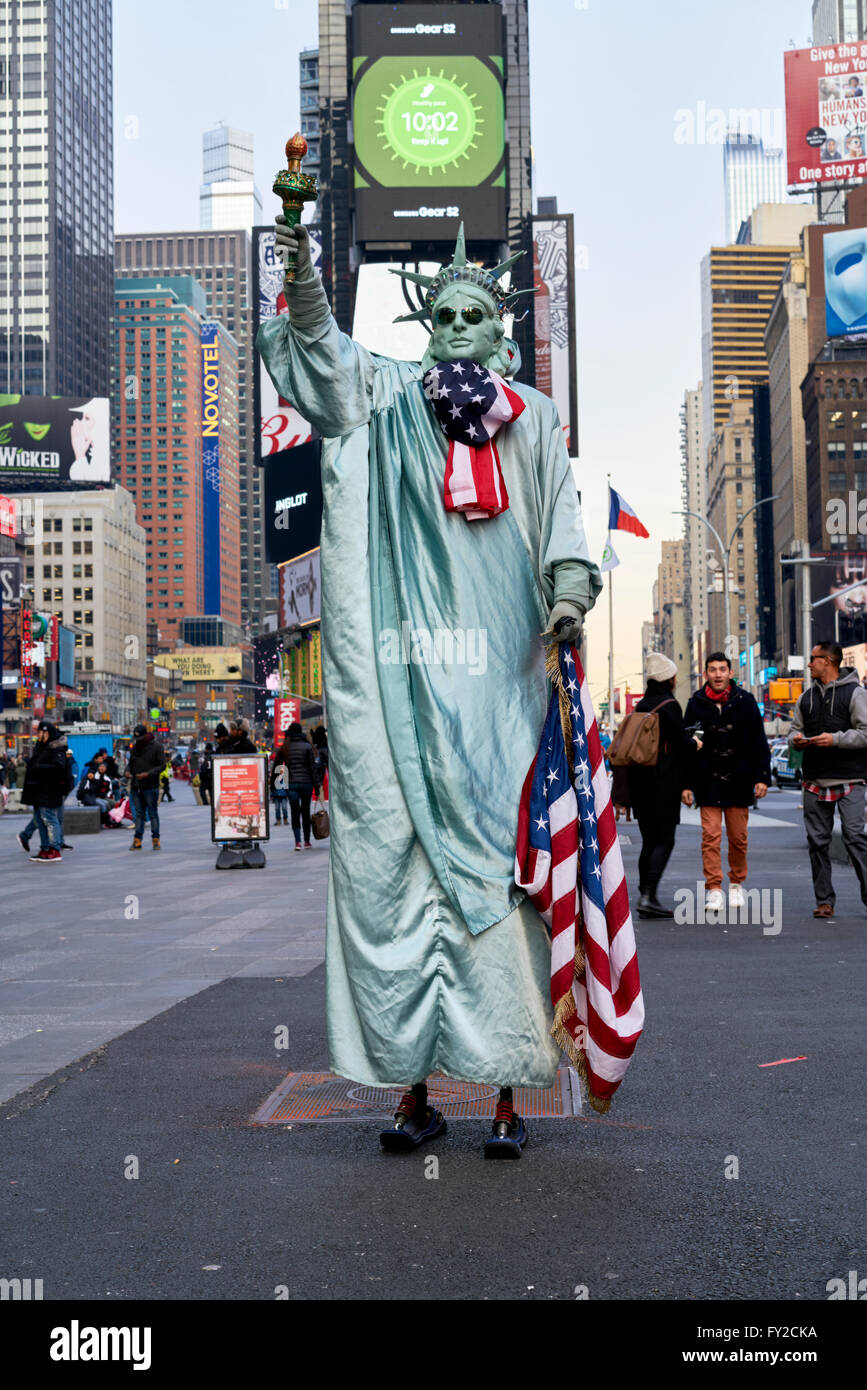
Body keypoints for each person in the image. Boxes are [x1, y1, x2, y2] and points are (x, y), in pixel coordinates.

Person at [258, 217, 601, 1155]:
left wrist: (567, 599)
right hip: (401, 688)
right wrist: (300, 269)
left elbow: (562, 525)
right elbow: (323, 357)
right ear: (427, 325)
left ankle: (503, 1097)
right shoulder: (388, 395)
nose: (453, 324)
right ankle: (412, 1095)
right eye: (441, 313)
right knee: (394, 877)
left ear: (500, 333)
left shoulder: (530, 417)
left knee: (502, 884)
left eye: (471, 315)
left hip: (499, 687)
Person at [683, 652, 770, 912]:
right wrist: (686, 785)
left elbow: (759, 742)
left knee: (738, 837)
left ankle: (736, 884)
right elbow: (688, 746)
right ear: (706, 673)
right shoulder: (696, 703)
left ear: (731, 673)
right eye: (713, 669)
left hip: (739, 780)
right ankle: (713, 888)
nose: (718, 674)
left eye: (722, 669)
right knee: (710, 836)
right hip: (707, 781)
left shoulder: (746, 701)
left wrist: (762, 777)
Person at [790, 642, 867, 919]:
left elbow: (866, 733)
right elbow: (794, 729)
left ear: (829, 661)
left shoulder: (856, 693)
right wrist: (795, 741)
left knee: (855, 837)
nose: (809, 664)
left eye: (813, 659)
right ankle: (824, 901)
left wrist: (835, 739)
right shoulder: (806, 698)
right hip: (813, 778)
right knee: (817, 842)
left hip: (851, 778)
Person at [626, 654, 701, 919]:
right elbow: (680, 745)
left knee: (649, 840)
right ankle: (649, 895)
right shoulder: (669, 705)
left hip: (639, 785)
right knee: (665, 839)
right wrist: (695, 743)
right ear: (669, 678)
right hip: (662, 784)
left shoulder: (641, 706)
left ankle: (646, 893)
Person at [18, 722, 72, 861]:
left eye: (39, 732)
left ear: (46, 732)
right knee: (39, 819)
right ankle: (45, 848)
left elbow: (59, 767)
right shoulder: (41, 747)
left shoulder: (57, 749)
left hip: (49, 789)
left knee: (49, 818)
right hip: (37, 789)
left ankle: (55, 849)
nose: (37, 735)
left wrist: (39, 767)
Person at [272, 724, 321, 849]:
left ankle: (297, 842)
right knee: (305, 812)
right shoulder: (307, 747)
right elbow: (312, 769)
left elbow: (277, 766)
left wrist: (273, 784)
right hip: (306, 784)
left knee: (294, 812)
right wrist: (317, 787)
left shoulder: (285, 747)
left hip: (292, 784)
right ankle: (307, 841)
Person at [126, 722, 165, 850]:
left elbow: (162, 765)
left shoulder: (157, 747)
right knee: (138, 814)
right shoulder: (134, 748)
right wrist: (127, 772)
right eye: (136, 739)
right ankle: (137, 840)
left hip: (150, 785)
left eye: (140, 739)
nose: (138, 742)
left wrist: (148, 774)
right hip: (136, 786)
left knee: (152, 812)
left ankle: (156, 839)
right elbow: (130, 764)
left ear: (145, 736)